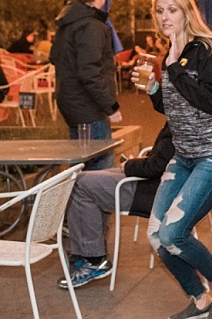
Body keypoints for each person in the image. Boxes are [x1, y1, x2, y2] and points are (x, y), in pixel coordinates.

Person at [144, 0, 212, 319]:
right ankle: (199, 298)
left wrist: (172, 71)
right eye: (159, 11)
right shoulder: (171, 53)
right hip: (184, 156)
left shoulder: (206, 49)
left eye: (171, 10)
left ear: (187, 12)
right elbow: (175, 109)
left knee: (173, 234)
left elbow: (211, 101)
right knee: (157, 235)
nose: (164, 17)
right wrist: (155, 90)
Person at [55, 112, 177, 291]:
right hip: (153, 181)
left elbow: (155, 166)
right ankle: (90, 250)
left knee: (80, 185)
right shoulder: (187, 111)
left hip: (153, 190)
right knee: (81, 179)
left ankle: (93, 258)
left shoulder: (183, 116)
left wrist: (129, 166)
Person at [53, 0, 122, 170]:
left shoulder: (67, 23)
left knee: (80, 168)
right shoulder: (91, 26)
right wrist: (110, 105)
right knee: (100, 171)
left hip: (72, 105)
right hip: (89, 108)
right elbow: (90, 72)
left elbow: (55, 58)